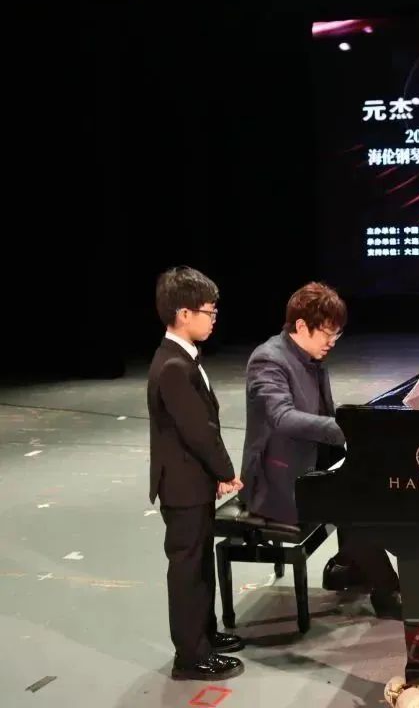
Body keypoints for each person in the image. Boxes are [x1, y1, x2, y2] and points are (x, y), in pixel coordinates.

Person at [237, 281, 401, 616]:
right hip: (276, 477)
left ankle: (349, 566)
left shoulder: (310, 356)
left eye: (337, 334)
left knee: (365, 483)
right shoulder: (267, 360)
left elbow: (325, 413)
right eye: (327, 333)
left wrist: (357, 425)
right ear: (301, 326)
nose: (332, 342)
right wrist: (347, 431)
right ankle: (388, 592)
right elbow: (282, 417)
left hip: (308, 462)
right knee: (349, 503)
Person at [147, 266, 245, 681]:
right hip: (182, 485)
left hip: (192, 482)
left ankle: (204, 634)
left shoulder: (183, 357)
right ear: (184, 314)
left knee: (200, 563)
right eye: (209, 311)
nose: (214, 317)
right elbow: (198, 430)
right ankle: (190, 655)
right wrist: (225, 471)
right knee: (188, 570)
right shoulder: (173, 365)